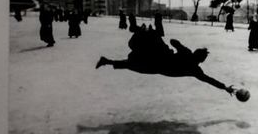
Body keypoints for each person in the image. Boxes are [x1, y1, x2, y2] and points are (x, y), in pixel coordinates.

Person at [96, 26, 241, 97]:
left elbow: (173, 41)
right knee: (132, 63)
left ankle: (107, 60)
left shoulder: (188, 54)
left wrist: (180, 46)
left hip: (159, 61)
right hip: (158, 63)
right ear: (201, 60)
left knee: (133, 62)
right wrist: (224, 87)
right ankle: (108, 60)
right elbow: (209, 80)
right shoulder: (195, 70)